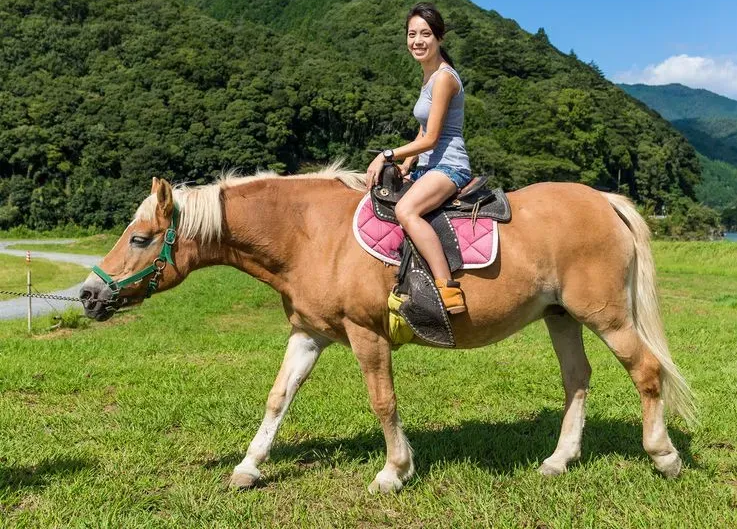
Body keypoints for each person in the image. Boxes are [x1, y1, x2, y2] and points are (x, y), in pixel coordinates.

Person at [365, 2, 471, 314]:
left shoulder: (444, 79)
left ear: (439, 38)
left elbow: (433, 137)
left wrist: (386, 154)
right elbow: (421, 133)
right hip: (428, 166)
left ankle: (446, 288)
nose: (418, 41)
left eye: (425, 34)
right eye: (412, 34)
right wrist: (406, 164)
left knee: (406, 210)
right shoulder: (428, 78)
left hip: (450, 166)